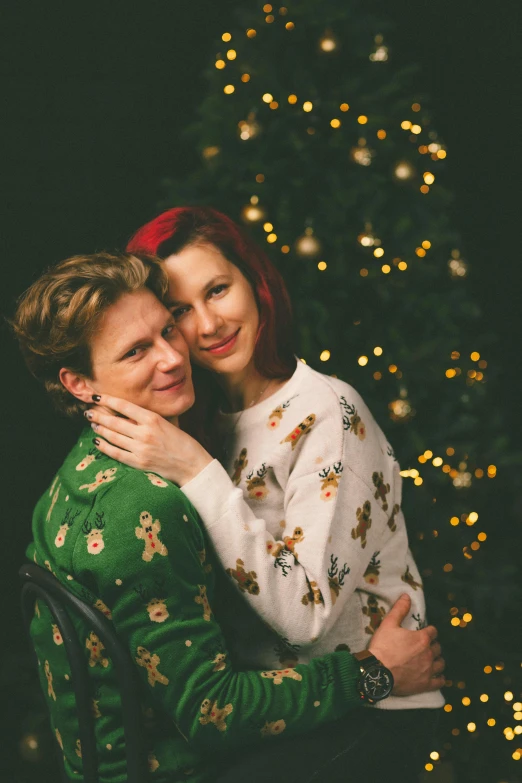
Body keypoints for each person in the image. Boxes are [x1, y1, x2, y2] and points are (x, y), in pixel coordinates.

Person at [13, 251, 443, 783]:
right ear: (79, 383)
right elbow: (212, 712)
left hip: (324, 721)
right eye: (136, 351)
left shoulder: (78, 477)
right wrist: (373, 674)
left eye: (169, 330)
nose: (173, 356)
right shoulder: (146, 503)